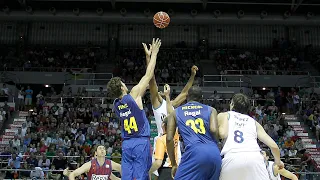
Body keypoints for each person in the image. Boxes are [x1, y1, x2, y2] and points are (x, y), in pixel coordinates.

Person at [142, 42, 198, 178]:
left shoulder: (172, 104)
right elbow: (151, 80)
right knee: (157, 171)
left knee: (175, 172)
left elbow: (185, 93)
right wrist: (148, 57)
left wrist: (192, 75)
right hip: (162, 140)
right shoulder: (156, 103)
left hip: (175, 142)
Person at [108, 38, 161, 180]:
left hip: (126, 144)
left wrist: (147, 56)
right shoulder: (134, 95)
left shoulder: (116, 104)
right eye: (123, 83)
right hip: (140, 142)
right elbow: (149, 75)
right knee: (142, 176)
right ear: (121, 87)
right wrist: (153, 54)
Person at [218, 93, 284, 180]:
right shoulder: (253, 122)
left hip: (232, 158)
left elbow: (222, 134)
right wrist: (278, 162)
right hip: (255, 159)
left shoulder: (225, 115)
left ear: (232, 104)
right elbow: (273, 146)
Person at [166, 86, 221, 180]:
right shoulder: (211, 110)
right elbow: (214, 130)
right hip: (214, 152)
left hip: (194, 152)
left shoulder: (175, 112)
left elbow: (169, 138)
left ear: (187, 96)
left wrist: (174, 163)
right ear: (202, 97)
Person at [148, 85, 180, 180]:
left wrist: (148, 172)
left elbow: (158, 163)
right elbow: (171, 115)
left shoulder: (161, 139)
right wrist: (167, 96)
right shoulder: (176, 135)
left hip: (165, 170)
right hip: (177, 169)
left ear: (162, 126)